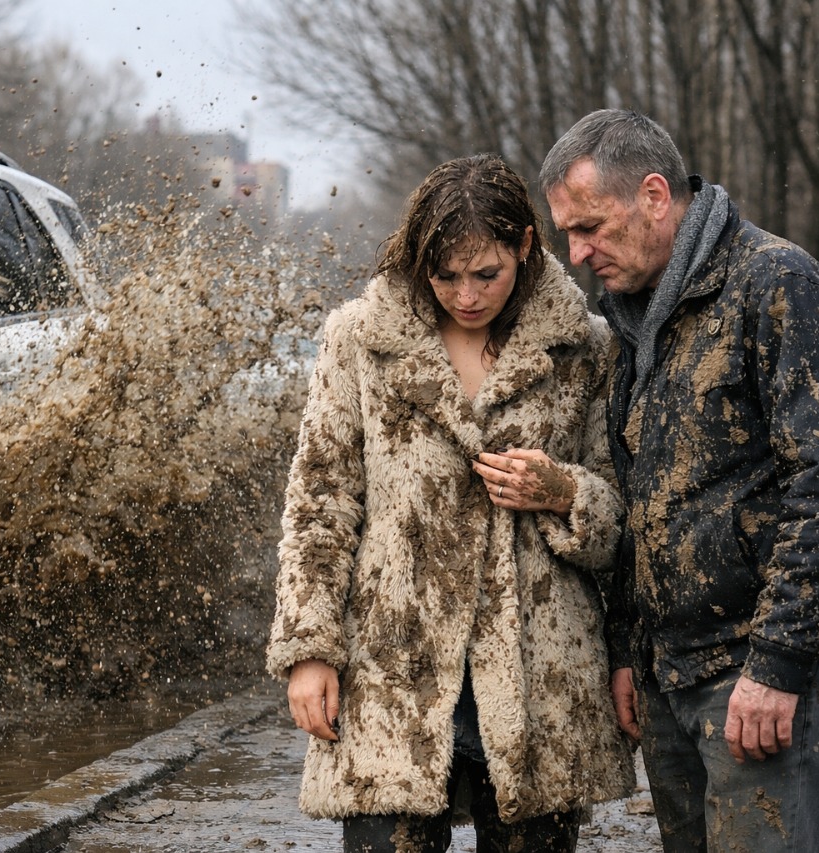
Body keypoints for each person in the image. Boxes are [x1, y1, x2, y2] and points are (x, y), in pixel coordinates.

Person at [267, 154, 633, 853]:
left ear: (526, 246)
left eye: (486, 274)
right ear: (417, 261)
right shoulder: (359, 341)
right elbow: (318, 503)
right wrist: (308, 650)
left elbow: (625, 516)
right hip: (394, 667)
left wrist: (562, 492)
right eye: (445, 276)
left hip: (540, 674)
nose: (465, 296)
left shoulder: (584, 347)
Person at [540, 108, 819, 851]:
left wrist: (778, 665)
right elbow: (643, 501)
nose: (576, 253)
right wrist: (629, 651)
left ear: (656, 196)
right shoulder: (632, 321)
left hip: (757, 682)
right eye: (568, 232)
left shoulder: (775, 283)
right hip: (670, 685)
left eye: (590, 226)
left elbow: (818, 484)